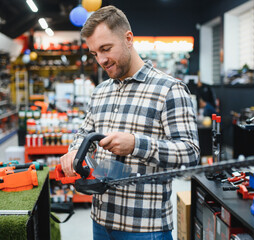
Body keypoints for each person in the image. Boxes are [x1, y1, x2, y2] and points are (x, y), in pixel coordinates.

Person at [60, 5, 200, 240]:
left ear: (128, 39)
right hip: (101, 221)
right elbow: (85, 133)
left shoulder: (169, 89)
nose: (101, 60)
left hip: (145, 227)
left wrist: (137, 144)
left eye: (106, 49)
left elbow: (191, 152)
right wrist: (75, 151)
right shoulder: (100, 91)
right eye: (95, 53)